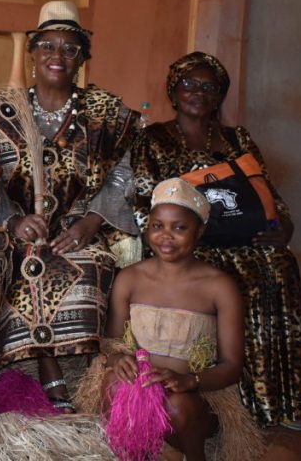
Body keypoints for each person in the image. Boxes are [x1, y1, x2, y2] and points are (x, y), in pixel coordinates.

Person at [0, 0, 138, 412]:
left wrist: (90, 224)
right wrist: (15, 220)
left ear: (82, 58)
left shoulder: (104, 113)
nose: (57, 55)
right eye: (48, 46)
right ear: (33, 52)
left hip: (80, 227)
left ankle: (94, 371)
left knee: (91, 262)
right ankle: (47, 367)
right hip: (16, 230)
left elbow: (123, 173)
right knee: (31, 261)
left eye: (69, 48)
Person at [131, 51, 301, 429]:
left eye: (209, 87)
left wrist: (283, 223)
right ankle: (235, 405)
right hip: (195, 246)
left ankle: (280, 401)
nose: (198, 92)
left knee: (279, 265)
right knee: (225, 276)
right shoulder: (155, 138)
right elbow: (144, 199)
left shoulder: (237, 138)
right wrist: (172, 241)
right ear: (174, 91)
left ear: (218, 96)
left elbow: (265, 189)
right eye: (189, 84)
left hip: (248, 241)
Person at [79, 178, 264, 460]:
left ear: (199, 231)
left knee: (176, 406)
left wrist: (190, 381)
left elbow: (231, 366)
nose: (166, 236)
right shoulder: (130, 278)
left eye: (179, 228)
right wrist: (117, 358)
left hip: (194, 395)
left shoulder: (219, 286)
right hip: (140, 387)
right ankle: (128, 450)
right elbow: (111, 341)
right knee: (116, 383)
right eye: (158, 226)